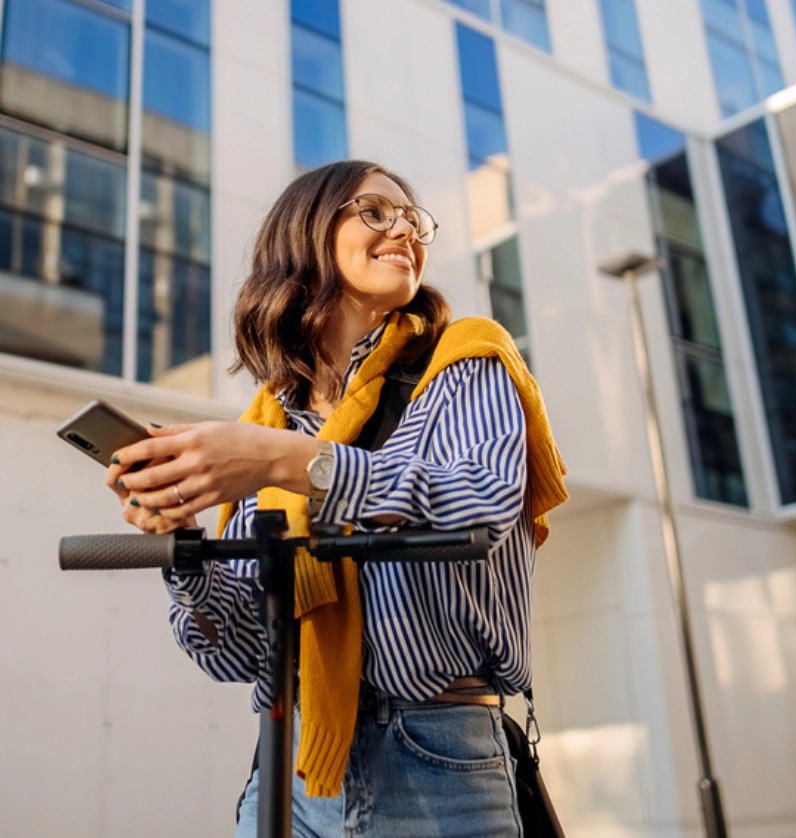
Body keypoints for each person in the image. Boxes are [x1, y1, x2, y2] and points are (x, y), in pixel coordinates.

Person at [103, 159, 567, 837]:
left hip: (436, 758)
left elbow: (479, 503)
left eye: (414, 219)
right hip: (291, 764)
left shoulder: (467, 361)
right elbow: (232, 653)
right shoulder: (267, 422)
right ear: (305, 234)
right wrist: (187, 547)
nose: (404, 229)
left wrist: (289, 465)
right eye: (375, 211)